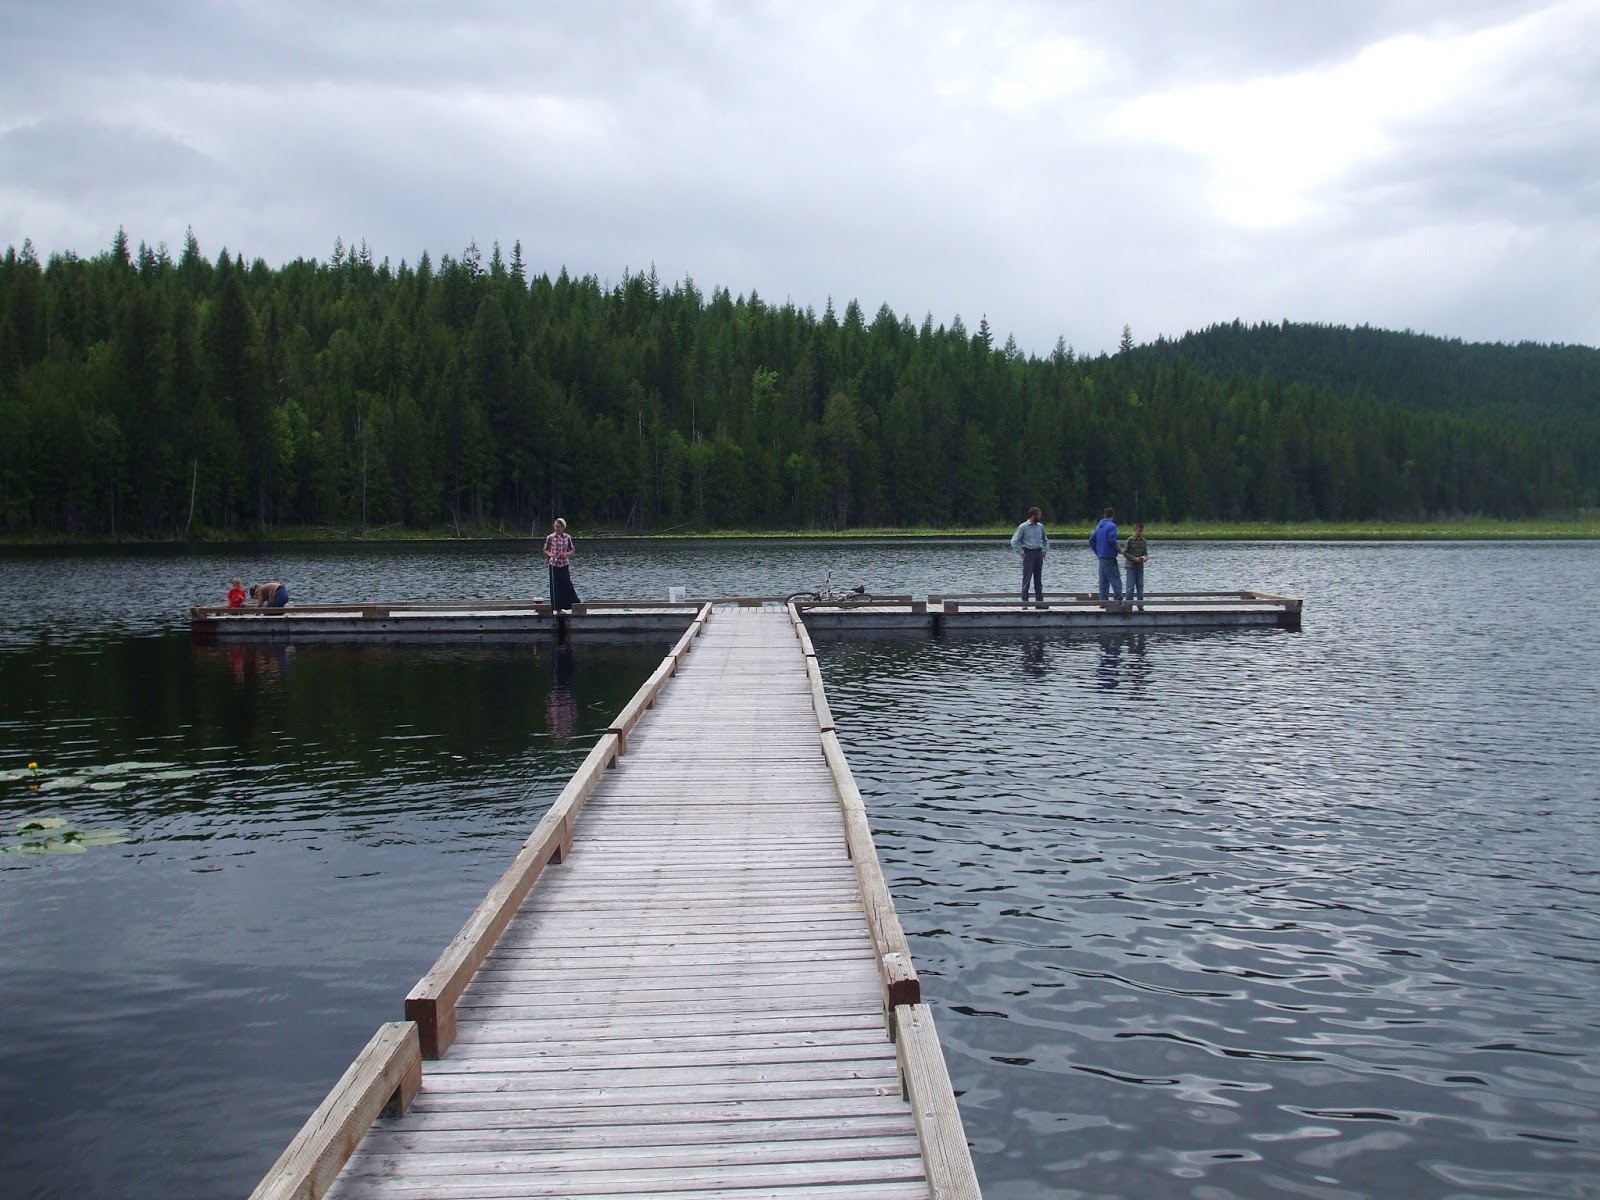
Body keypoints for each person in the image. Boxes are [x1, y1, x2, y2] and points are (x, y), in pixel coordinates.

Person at [1010, 507, 1049, 603]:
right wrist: (1021, 553)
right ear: (1033, 515)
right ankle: (1025, 602)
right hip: (1028, 553)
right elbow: (1014, 541)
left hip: (1038, 554)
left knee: (1038, 580)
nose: (1040, 517)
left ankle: (1040, 602)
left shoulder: (1040, 526)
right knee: (1027, 579)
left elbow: (1045, 540)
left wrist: (1044, 550)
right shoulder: (1023, 527)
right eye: (1038, 515)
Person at [543, 517, 580, 614]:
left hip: (564, 564)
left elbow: (572, 550)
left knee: (567, 585)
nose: (556, 528)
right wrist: (549, 554)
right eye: (555, 526)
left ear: (563, 527)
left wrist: (566, 554)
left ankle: (574, 605)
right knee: (555, 587)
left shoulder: (567, 537)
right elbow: (545, 549)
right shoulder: (550, 537)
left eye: (558, 527)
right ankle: (557, 609)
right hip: (553, 564)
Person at [1088, 507, 1123, 604]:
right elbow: (1111, 540)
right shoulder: (1112, 526)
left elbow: (1091, 541)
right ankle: (1118, 599)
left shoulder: (1099, 526)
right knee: (1115, 577)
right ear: (1113, 516)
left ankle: (1103, 601)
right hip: (1109, 556)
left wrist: (1098, 552)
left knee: (1103, 580)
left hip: (1101, 556)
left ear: (1104, 515)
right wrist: (1119, 549)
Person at [1123, 522, 1150, 608]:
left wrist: (1145, 558)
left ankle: (1140, 605)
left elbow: (1145, 553)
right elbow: (1124, 553)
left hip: (1140, 566)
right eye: (1139, 531)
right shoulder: (1130, 540)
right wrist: (1134, 558)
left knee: (1140, 587)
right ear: (1134, 530)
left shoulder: (1144, 541)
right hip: (1131, 566)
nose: (1140, 533)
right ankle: (1128, 605)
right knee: (1130, 587)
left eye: (1142, 531)